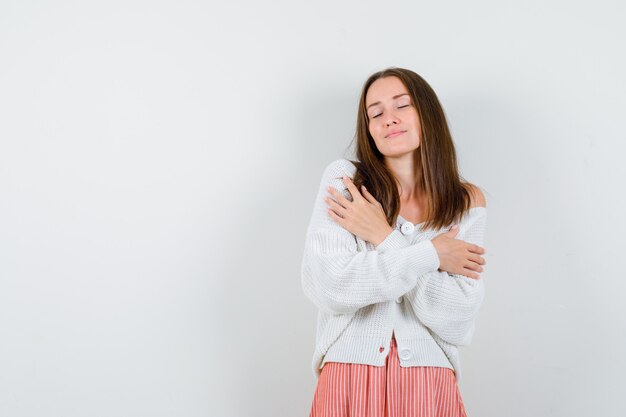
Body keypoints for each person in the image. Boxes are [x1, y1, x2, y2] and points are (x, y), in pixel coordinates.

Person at [301, 67, 488, 417]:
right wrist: (432, 255)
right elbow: (331, 286)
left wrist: (384, 238)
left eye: (402, 105)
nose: (389, 119)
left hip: (429, 382)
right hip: (348, 379)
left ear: (427, 113)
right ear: (369, 129)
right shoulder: (346, 182)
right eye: (376, 112)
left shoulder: (465, 202)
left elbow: (457, 319)